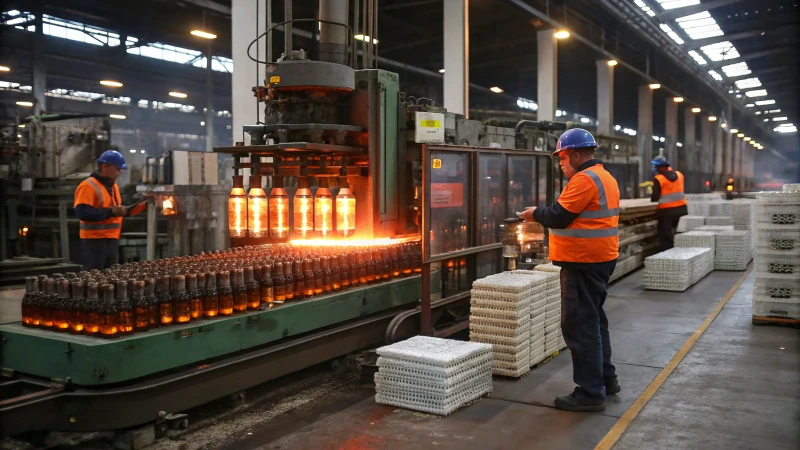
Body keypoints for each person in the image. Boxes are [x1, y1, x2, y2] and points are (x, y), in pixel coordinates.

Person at [519, 128, 620, 412]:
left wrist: (532, 214)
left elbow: (558, 216)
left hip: (583, 263)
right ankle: (606, 380)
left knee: (580, 325)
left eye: (562, 159)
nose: (561, 165)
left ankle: (590, 392)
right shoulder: (605, 176)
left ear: (575, 155)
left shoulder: (584, 179)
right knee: (595, 321)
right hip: (599, 260)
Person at [74, 150, 146, 270]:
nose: (119, 173)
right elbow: (83, 213)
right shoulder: (88, 186)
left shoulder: (113, 187)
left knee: (110, 276)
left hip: (111, 240)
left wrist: (145, 204)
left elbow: (122, 211)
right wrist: (111, 212)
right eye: (117, 169)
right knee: (94, 277)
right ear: (104, 167)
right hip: (94, 241)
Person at [650, 156, 688, 251]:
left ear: (660, 167)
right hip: (682, 210)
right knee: (680, 233)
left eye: (656, 166)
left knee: (665, 236)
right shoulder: (680, 175)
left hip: (666, 212)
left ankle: (668, 254)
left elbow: (655, 197)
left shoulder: (659, 179)